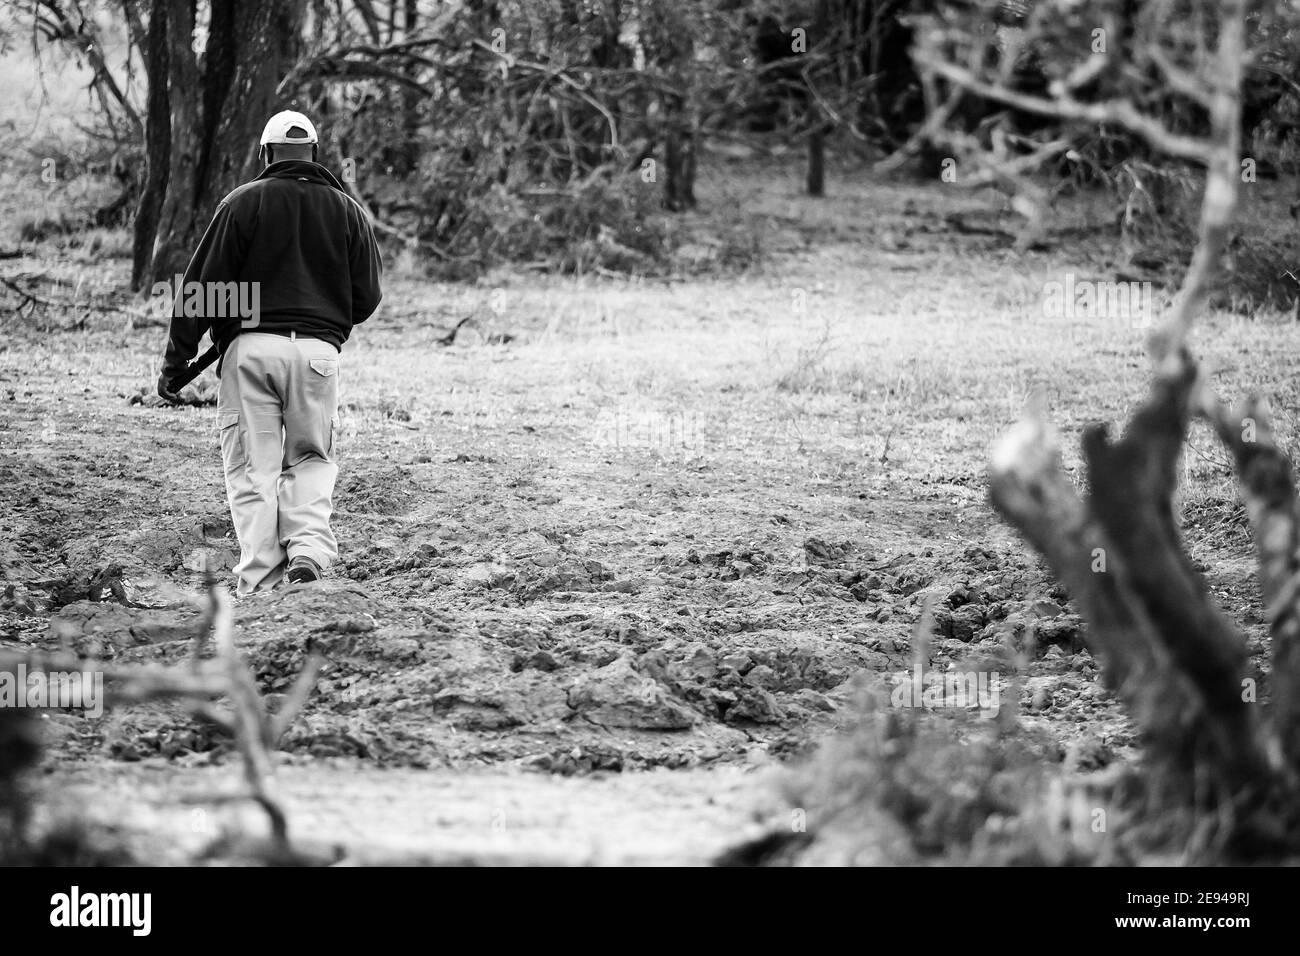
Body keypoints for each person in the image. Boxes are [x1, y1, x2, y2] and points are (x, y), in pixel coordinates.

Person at [158, 109, 383, 594]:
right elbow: (367, 298)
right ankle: (305, 554)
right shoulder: (348, 211)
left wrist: (177, 360)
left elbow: (203, 288)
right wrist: (323, 311)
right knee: (310, 459)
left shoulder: (244, 202)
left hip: (251, 353)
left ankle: (260, 582)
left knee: (252, 469)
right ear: (316, 156)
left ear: (265, 154)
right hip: (319, 357)